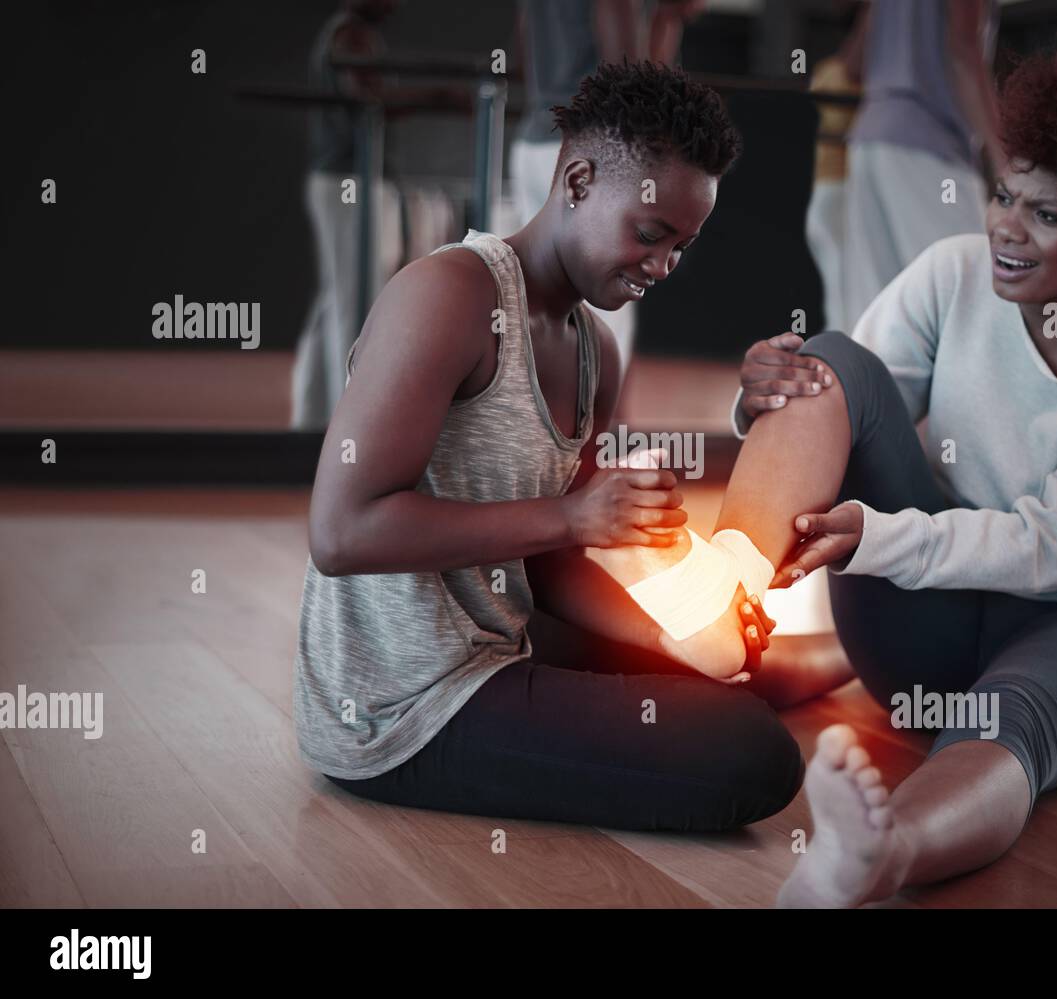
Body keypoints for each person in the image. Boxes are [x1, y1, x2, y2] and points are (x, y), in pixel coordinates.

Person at [723, 41, 1057, 906]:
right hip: (929, 630)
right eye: (1002, 193)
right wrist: (762, 399)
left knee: (1006, 716)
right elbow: (844, 400)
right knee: (835, 357)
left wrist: (877, 536)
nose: (1005, 229)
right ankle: (718, 608)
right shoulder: (952, 275)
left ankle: (880, 855)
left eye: (1047, 215)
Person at [295, 61, 805, 833]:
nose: (664, 267)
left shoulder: (597, 347)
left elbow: (550, 560)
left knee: (733, 673)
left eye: (683, 246)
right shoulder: (448, 296)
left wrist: (673, 627)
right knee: (754, 752)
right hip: (402, 706)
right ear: (577, 179)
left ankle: (772, 666)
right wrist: (576, 516)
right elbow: (341, 532)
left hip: (503, 648)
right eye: (650, 234)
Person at [510, 0, 705, 384]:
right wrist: (671, 17)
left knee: (542, 303)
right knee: (607, 308)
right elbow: (631, 84)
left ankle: (549, 435)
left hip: (536, 141)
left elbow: (522, 48)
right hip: (595, 149)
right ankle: (587, 437)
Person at [841, 0, 1005, 327]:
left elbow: (853, 64)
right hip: (927, 141)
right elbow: (963, 47)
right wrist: (1006, 160)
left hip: (871, 139)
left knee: (877, 318)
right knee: (977, 300)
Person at [291, 0, 405, 430]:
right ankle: (349, 429)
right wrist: (437, 95)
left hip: (340, 181)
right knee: (354, 302)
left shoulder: (352, 32)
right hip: (347, 183)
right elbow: (368, 97)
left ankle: (312, 422)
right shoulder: (350, 33)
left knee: (337, 300)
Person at [805, 3, 870, 334]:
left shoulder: (826, 70)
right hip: (837, 193)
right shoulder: (841, 70)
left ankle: (843, 360)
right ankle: (845, 361)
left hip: (832, 194)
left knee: (843, 288)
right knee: (847, 288)